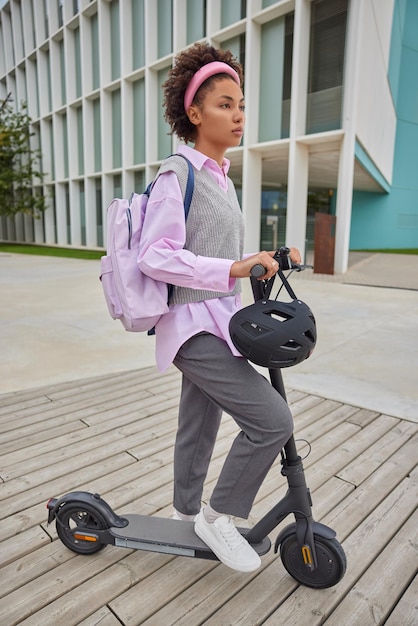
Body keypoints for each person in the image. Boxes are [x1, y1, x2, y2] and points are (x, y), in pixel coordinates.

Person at [138, 42, 300, 572]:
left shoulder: (218, 176)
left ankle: (187, 512)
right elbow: (156, 256)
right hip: (189, 326)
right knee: (273, 420)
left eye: (241, 104)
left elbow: (218, 252)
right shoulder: (177, 175)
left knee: (198, 423)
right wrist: (231, 269)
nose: (238, 115)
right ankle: (220, 514)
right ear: (194, 113)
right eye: (225, 104)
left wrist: (268, 259)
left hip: (217, 321)